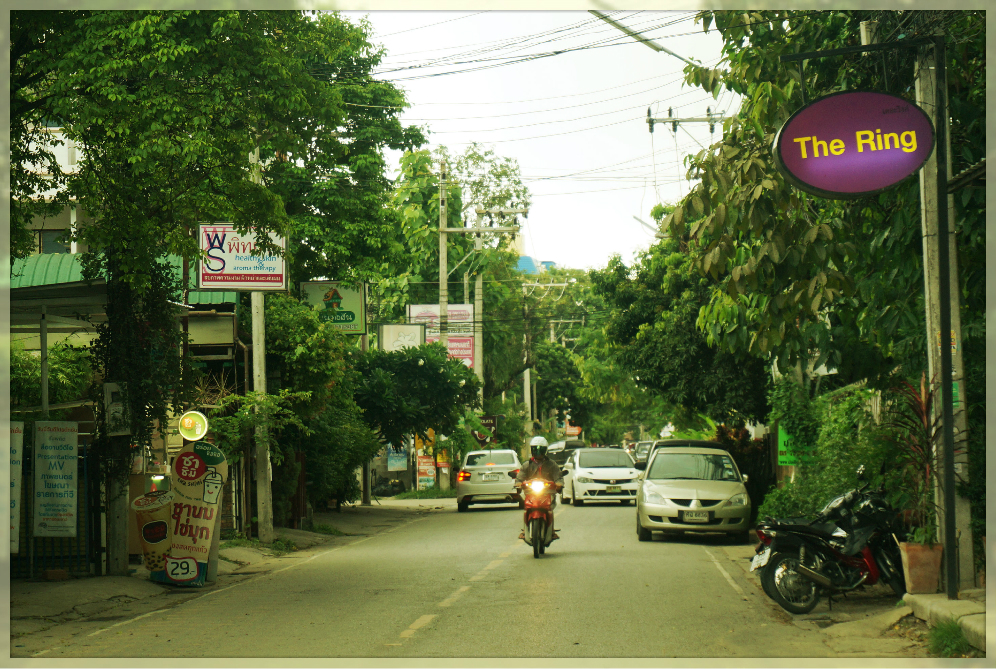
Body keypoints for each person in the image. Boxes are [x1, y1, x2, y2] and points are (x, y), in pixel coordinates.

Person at [516, 436, 564, 541]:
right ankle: (525, 530)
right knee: (526, 508)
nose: (538, 452)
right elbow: (520, 477)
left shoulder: (552, 464)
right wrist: (518, 483)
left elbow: (558, 477)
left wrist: (559, 484)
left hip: (548, 493)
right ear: (532, 450)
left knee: (550, 509)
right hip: (531, 493)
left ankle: (551, 531)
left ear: (545, 450)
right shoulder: (526, 465)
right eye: (535, 449)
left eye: (540, 449)